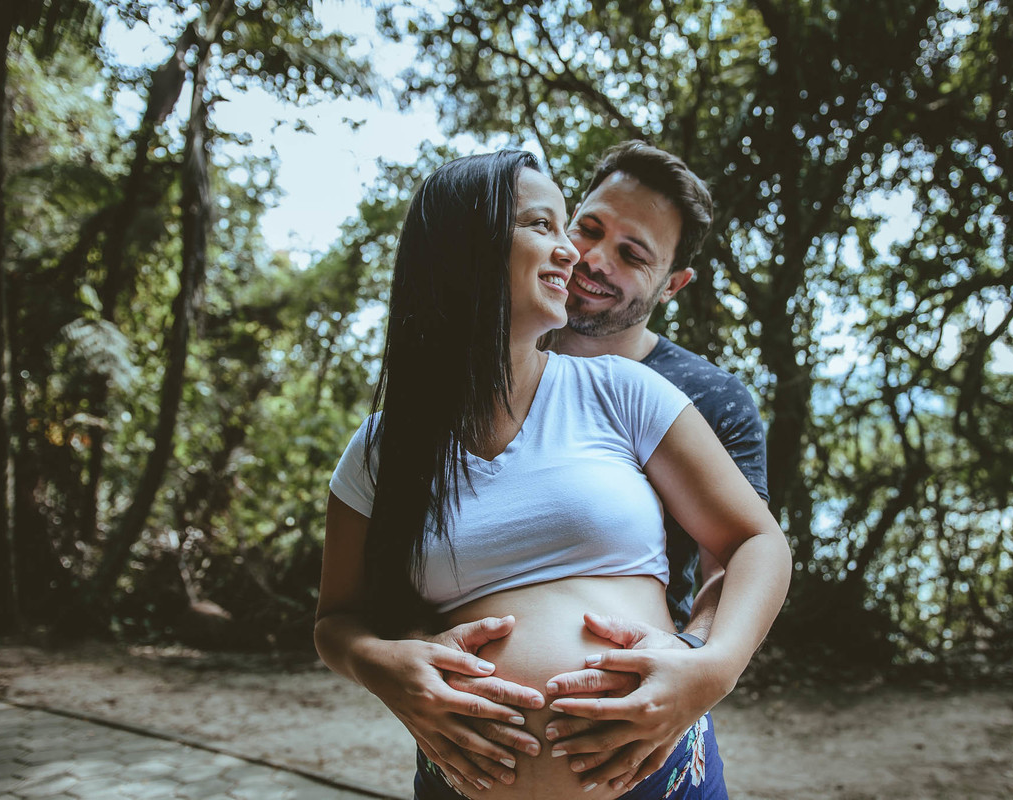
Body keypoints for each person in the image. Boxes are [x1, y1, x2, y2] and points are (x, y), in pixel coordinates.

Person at [315, 151, 790, 799]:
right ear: (467, 248)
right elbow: (339, 620)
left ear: (670, 284)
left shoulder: (639, 393)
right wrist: (379, 663)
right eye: (562, 228)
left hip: (652, 772)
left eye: (633, 253)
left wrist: (706, 669)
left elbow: (748, 547)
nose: (579, 254)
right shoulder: (383, 448)